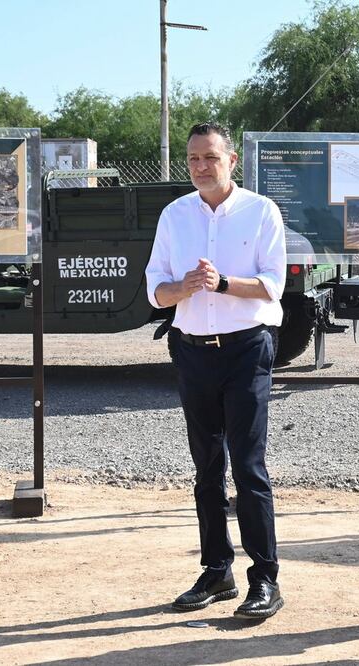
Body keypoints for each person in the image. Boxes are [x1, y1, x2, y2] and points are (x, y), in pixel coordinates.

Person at [145, 122, 286, 619]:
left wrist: (222, 283)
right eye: (193, 159)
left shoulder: (261, 211)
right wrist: (181, 289)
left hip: (247, 349)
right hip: (192, 353)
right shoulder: (174, 215)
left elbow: (272, 285)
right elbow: (155, 290)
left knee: (247, 466)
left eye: (210, 157)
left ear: (231, 161)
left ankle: (264, 579)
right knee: (206, 468)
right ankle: (216, 571)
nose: (201, 167)